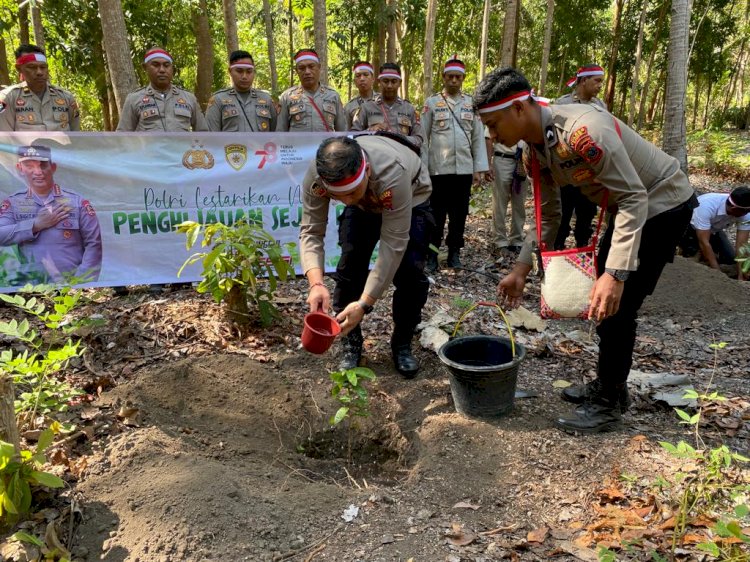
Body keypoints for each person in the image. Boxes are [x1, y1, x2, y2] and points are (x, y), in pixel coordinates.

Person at [474, 67, 697, 433]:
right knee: (608, 306)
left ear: (519, 109)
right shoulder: (535, 150)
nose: (491, 135)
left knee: (617, 306)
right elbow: (548, 216)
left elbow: (633, 196)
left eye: (494, 124)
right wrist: (520, 268)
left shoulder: (582, 131)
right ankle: (612, 387)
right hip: (631, 208)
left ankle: (608, 404)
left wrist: (615, 273)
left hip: (663, 204)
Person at [299, 135, 433, 378]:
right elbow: (311, 230)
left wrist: (365, 303)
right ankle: (350, 341)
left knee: (410, 273)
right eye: (339, 196)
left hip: (411, 199)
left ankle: (402, 341)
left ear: (367, 170)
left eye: (351, 192)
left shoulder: (393, 173)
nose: (346, 201)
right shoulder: (318, 176)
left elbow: (393, 245)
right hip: (366, 204)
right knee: (350, 267)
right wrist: (316, 283)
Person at [421, 56, 487, 271]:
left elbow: (477, 138)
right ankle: (432, 254)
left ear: (463, 79)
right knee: (436, 216)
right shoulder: (432, 103)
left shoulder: (471, 104)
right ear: (443, 77)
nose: (453, 81)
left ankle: (454, 253)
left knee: (459, 216)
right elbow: (423, 138)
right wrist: (422, 169)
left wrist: (479, 168)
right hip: (438, 170)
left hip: (464, 171)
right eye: (450, 77)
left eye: (458, 77)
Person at [0, 145, 102, 283]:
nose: (38, 172)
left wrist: (82, 282)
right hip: (31, 289)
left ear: (53, 167)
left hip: (72, 286)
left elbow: (94, 244)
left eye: (43, 166)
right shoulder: (13, 203)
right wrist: (34, 225)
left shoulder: (76, 201)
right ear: (20, 169)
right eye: (30, 166)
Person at [553, 64, 607, 250]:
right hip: (567, 172)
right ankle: (557, 253)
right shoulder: (562, 104)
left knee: (586, 215)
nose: (600, 85)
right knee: (563, 214)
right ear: (584, 81)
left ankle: (583, 252)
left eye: (602, 81)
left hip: (591, 173)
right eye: (597, 81)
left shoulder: (600, 106)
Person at [117, 47, 208, 132]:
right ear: (145, 68)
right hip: (148, 149)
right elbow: (122, 137)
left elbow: (204, 134)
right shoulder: (134, 99)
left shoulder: (189, 98)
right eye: (156, 65)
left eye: (166, 65)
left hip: (181, 149)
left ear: (172, 69)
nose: (162, 70)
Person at [0, 44, 80, 132]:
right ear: (19, 69)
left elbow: (75, 134)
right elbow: (5, 139)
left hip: (61, 146)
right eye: (32, 67)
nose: (39, 72)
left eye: (43, 67)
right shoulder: (7, 98)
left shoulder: (66, 98)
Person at [679, 186, 750, 280]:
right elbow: (704, 243)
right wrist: (719, 275)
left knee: (729, 259)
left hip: (714, 231)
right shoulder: (706, 206)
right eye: (748, 211)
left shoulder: (745, 213)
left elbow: (741, 246)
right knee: (695, 253)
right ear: (734, 208)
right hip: (689, 229)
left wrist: (741, 277)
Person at [351, 63, 424, 149]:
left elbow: (419, 139)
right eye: (385, 81)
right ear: (379, 82)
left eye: (393, 81)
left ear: (399, 82)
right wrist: (370, 131)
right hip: (375, 159)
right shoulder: (366, 107)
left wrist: (400, 138)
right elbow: (352, 137)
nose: (389, 86)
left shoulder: (409, 109)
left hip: (402, 158)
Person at [276, 49, 347, 132]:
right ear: (296, 71)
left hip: (326, 145)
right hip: (298, 145)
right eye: (302, 68)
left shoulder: (333, 96)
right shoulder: (287, 97)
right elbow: (280, 132)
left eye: (311, 66)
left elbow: (342, 132)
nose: (307, 72)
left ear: (319, 67)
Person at [206, 50, 277, 132]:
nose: (244, 76)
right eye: (239, 71)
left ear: (254, 72)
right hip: (231, 145)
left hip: (259, 145)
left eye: (249, 72)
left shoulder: (266, 99)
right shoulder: (218, 100)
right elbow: (211, 136)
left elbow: (275, 133)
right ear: (230, 71)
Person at [485, 135, 527, 256]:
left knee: (520, 204)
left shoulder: (526, 115)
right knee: (499, 203)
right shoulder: (498, 115)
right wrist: (488, 164)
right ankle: (500, 242)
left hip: (523, 160)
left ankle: (517, 241)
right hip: (502, 159)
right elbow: (488, 138)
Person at [344, 61, 376, 128]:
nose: (362, 79)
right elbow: (345, 133)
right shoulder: (349, 107)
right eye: (358, 76)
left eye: (366, 75)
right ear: (354, 81)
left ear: (373, 79)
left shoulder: (383, 102)